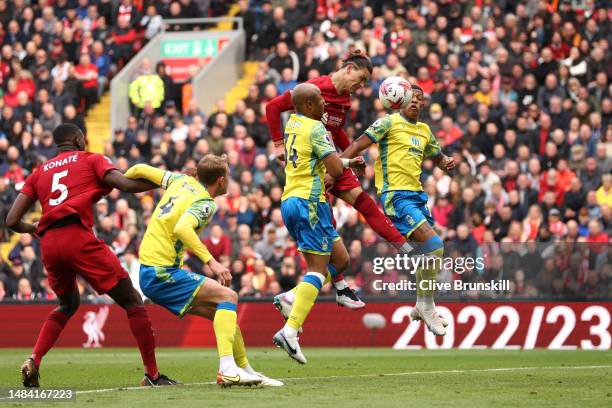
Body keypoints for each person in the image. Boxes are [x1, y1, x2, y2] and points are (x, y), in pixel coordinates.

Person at [5, 124, 177, 387]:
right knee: (132, 300)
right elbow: (125, 184)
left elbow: (12, 220)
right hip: (77, 236)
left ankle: (34, 359)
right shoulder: (91, 159)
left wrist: (34, 229)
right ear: (77, 139)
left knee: (67, 304)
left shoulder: (39, 172)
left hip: (50, 243)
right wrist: (171, 181)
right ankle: (152, 375)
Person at [266, 49, 413, 311]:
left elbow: (336, 130)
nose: (361, 86)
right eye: (361, 78)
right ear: (348, 69)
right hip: (314, 165)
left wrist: (351, 156)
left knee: (364, 202)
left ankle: (404, 248)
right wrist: (278, 143)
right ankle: (338, 286)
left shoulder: (344, 99)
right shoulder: (313, 91)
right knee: (327, 223)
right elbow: (273, 107)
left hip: (332, 157)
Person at [123, 155, 281, 387]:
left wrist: (114, 187)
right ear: (220, 180)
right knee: (229, 296)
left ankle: (246, 370)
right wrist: (212, 262)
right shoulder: (205, 202)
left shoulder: (179, 180)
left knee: (224, 311)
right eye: (227, 175)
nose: (229, 180)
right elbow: (183, 228)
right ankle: (227, 369)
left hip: (151, 271)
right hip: (161, 272)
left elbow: (138, 167)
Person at [341, 85, 456, 336]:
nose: (415, 101)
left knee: (429, 252)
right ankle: (426, 305)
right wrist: (337, 166)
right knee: (435, 245)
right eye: (411, 98)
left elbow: (437, 156)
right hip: (395, 195)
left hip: (417, 197)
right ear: (400, 100)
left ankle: (422, 304)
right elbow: (359, 143)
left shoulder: (425, 131)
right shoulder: (388, 123)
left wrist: (445, 162)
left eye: (419, 99)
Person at [272, 83, 365, 363]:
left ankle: (292, 297)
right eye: (320, 102)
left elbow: (325, 162)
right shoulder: (315, 129)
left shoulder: (293, 123)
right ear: (309, 105)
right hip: (309, 202)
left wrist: (346, 162)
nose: (326, 106)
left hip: (293, 200)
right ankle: (290, 331)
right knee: (317, 269)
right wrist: (345, 164)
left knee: (341, 259)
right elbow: (334, 169)